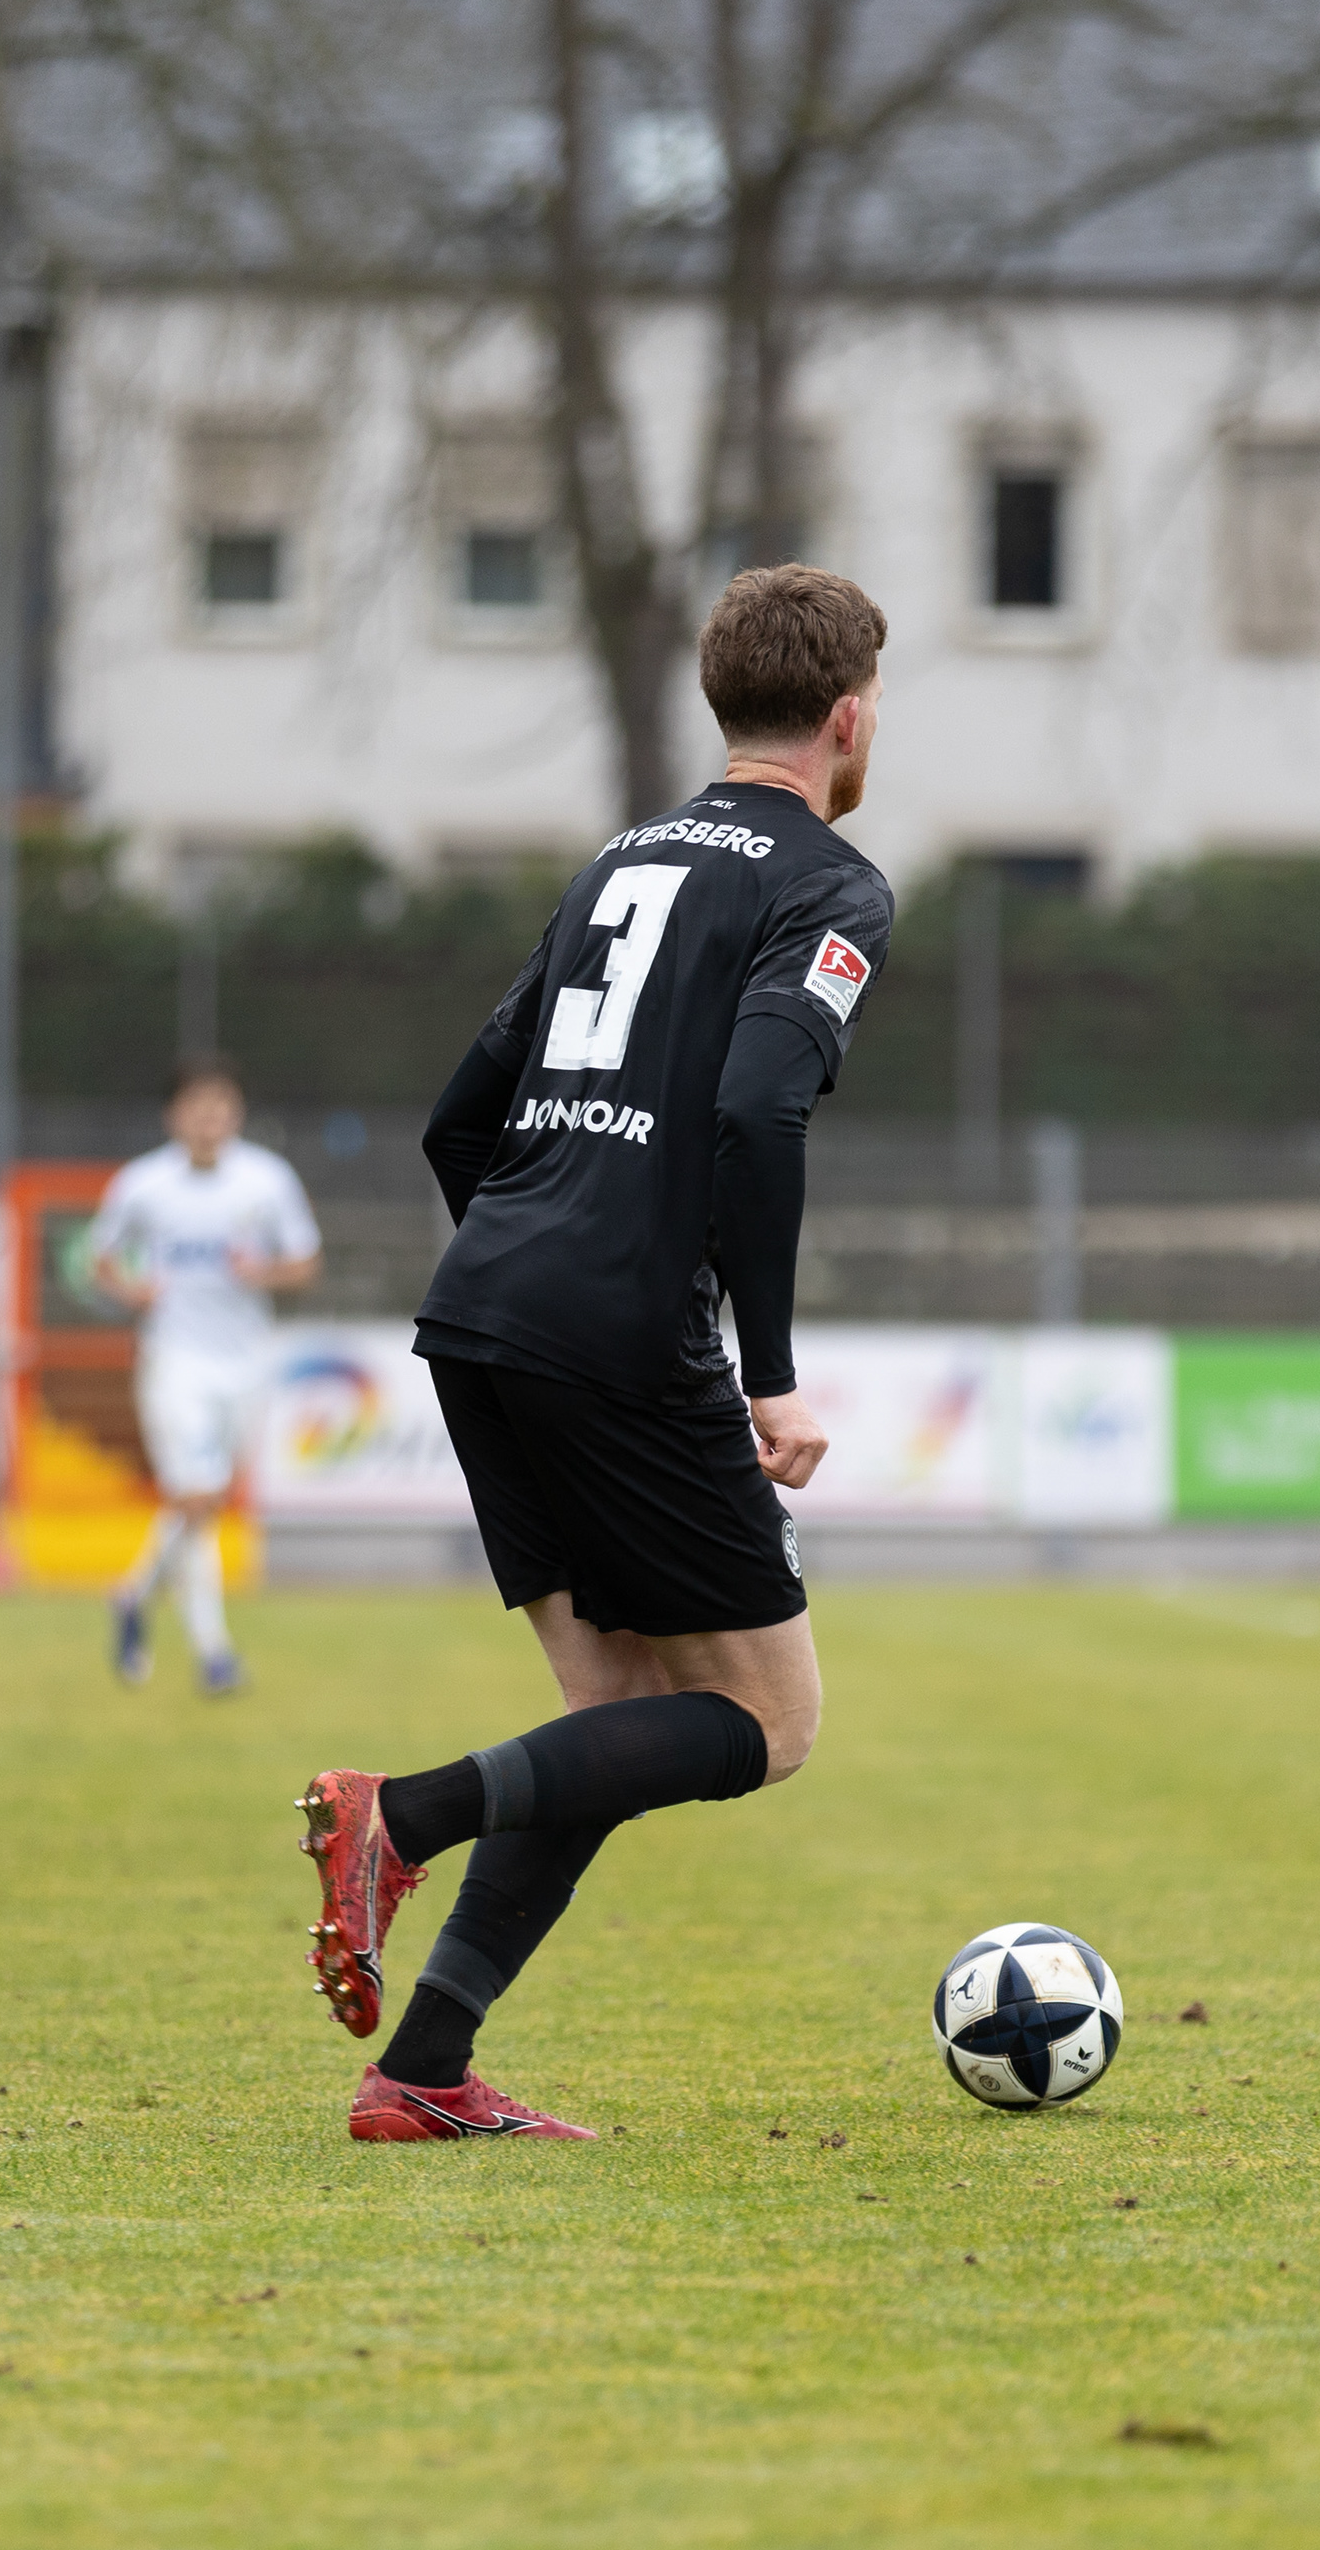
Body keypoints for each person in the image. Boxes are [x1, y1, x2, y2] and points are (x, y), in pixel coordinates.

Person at [295, 562, 894, 2144]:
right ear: (849, 719)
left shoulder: (619, 862)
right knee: (768, 1725)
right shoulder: (828, 886)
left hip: (484, 1309)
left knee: (607, 1729)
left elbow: (459, 1120)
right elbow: (756, 1111)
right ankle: (398, 1814)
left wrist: (531, 1267)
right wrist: (767, 1370)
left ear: (717, 699)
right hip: (614, 1332)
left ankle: (423, 2070)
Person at [88, 1057, 322, 1693]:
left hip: (246, 1361)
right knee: (196, 1494)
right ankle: (215, 1654)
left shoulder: (267, 1179)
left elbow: (305, 1262)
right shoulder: (143, 1184)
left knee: (207, 1501)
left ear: (237, 1113)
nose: (209, 1118)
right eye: (197, 1106)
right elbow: (99, 1260)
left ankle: (133, 1593)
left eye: (221, 1106)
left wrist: (262, 1273)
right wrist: (131, 1290)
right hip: (175, 1360)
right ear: (174, 1116)